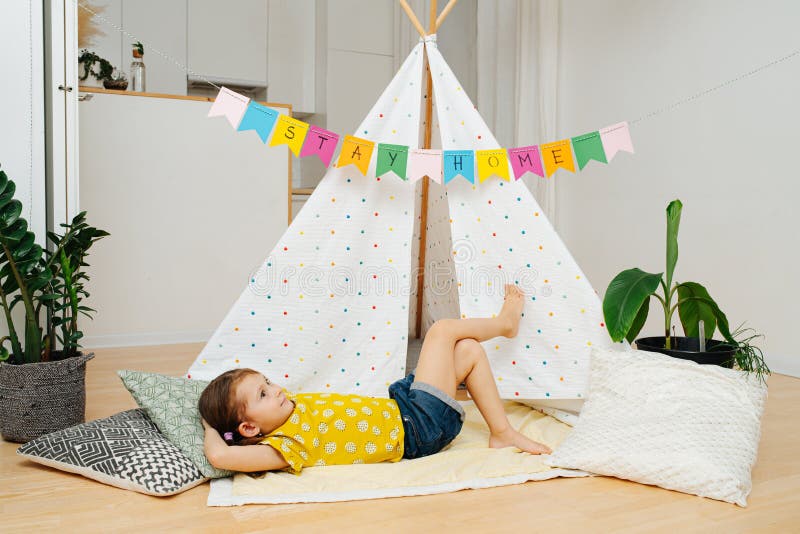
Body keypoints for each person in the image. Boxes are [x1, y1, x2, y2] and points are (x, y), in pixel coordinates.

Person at [199, 284, 551, 474]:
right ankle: (505, 324)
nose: (275, 390)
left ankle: (501, 433)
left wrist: (224, 412)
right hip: (417, 430)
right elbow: (221, 457)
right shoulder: (285, 447)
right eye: (263, 394)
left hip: (406, 407)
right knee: (443, 331)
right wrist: (209, 424)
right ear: (248, 428)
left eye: (268, 382)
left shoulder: (286, 405)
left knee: (469, 350)